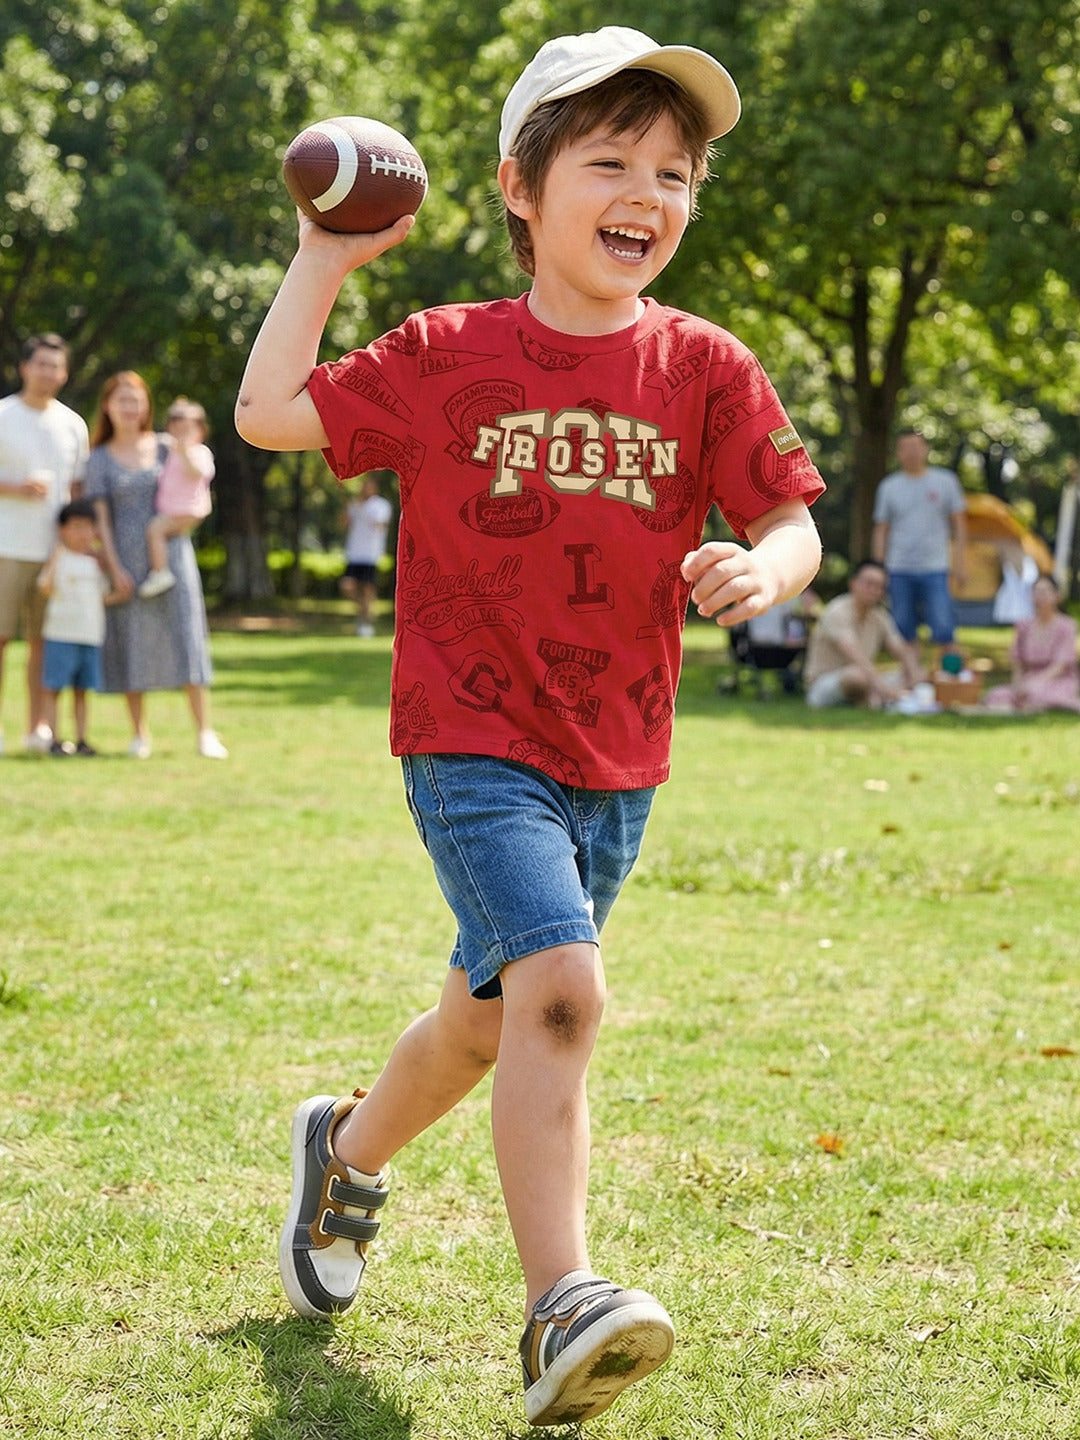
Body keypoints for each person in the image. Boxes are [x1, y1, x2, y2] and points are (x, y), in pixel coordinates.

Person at [236, 26, 824, 1428]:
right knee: (563, 992)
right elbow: (268, 413)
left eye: (675, 174)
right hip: (471, 738)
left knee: (486, 1023)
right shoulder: (449, 352)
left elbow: (791, 515)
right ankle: (563, 1298)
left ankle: (345, 1153)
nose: (647, 193)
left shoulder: (706, 366)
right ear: (520, 185)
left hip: (617, 756)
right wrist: (326, 258)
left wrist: (768, 569)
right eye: (611, 161)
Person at [84, 371, 228, 759]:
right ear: (107, 406)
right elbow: (101, 520)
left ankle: (204, 732)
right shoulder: (98, 458)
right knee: (132, 640)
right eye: (122, 400)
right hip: (125, 559)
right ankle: (139, 734)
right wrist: (113, 567)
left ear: (147, 405)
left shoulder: (167, 446)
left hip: (173, 555)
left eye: (136, 399)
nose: (130, 407)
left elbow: (197, 488)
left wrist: (187, 522)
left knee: (187, 635)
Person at [0, 333, 90, 755]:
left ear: (65, 373)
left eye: (56, 366)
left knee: (42, 643)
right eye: (41, 364)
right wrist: (15, 487)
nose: (48, 372)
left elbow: (77, 490)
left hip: (53, 552)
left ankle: (38, 727)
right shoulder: (4, 415)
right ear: (24, 368)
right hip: (6, 546)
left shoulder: (73, 424)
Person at [36, 498, 119, 755]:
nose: (82, 533)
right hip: (60, 634)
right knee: (54, 688)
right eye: (75, 527)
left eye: (87, 527)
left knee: (82, 690)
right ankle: (54, 739)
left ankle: (81, 739)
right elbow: (44, 587)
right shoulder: (59, 557)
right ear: (63, 530)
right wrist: (55, 557)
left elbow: (102, 597)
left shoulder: (95, 564)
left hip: (89, 636)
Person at [871, 429, 968, 645]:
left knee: (944, 626)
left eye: (916, 447)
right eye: (905, 448)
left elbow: (959, 525)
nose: (912, 452)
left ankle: (948, 666)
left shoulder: (946, 481)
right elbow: (881, 530)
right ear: (898, 453)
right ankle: (911, 666)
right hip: (898, 567)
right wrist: (879, 567)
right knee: (902, 628)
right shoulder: (889, 487)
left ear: (926, 450)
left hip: (936, 566)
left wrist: (960, 563)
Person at [803, 559, 923, 708]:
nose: (874, 590)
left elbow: (900, 648)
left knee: (911, 672)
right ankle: (874, 698)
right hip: (824, 683)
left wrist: (914, 673)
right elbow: (856, 657)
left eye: (880, 586)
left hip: (865, 675)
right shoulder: (837, 611)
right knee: (857, 676)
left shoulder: (879, 615)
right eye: (869, 584)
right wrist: (884, 688)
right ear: (853, 583)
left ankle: (874, 698)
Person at [138, 398, 215, 599]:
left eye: (187, 430)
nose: (182, 436)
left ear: (201, 432)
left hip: (187, 509)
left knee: (155, 530)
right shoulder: (171, 450)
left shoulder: (199, 452)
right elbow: (157, 439)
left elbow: (199, 473)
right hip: (176, 509)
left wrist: (185, 454)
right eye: (178, 430)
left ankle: (160, 572)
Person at [983, 574, 1080, 714]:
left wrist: (1035, 683)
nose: (1041, 597)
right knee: (997, 694)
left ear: (1056, 596)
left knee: (1037, 693)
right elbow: (1017, 663)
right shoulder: (1024, 625)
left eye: (1045, 592)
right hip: (1028, 680)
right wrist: (1018, 683)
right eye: (1037, 592)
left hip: (1057, 680)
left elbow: (1060, 665)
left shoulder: (1067, 626)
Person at [340, 473, 392, 635]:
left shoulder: (380, 505)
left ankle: (365, 623)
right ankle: (365, 611)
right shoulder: (354, 504)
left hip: (370, 554)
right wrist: (346, 504)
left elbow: (381, 525)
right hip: (354, 553)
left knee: (367, 589)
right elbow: (344, 524)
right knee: (347, 586)